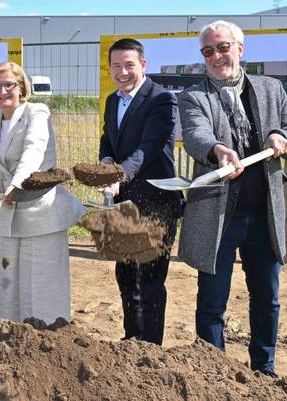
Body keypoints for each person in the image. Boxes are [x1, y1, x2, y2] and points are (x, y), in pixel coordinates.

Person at [177, 20, 287, 377]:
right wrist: (218, 150)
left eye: (223, 47)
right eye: (208, 51)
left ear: (240, 48)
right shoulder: (194, 96)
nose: (216, 56)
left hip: (264, 215)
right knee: (212, 300)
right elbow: (196, 135)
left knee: (267, 297)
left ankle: (264, 369)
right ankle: (214, 372)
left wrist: (280, 136)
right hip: (218, 216)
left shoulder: (270, 89)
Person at [0, 61, 85, 325]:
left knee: (40, 283)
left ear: (21, 87)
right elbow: (1, 165)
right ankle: (7, 333)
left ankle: (47, 337)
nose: (3, 91)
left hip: (42, 212)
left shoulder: (37, 112)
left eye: (9, 84)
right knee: (7, 280)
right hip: (10, 213)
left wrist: (14, 186)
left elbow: (33, 151)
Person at [98, 38, 183, 345]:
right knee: (125, 275)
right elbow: (108, 138)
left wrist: (119, 174)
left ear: (143, 65)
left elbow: (149, 147)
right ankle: (131, 341)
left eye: (129, 65)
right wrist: (106, 161)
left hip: (156, 201)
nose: (122, 72)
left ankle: (150, 349)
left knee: (150, 280)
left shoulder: (161, 99)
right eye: (116, 66)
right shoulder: (112, 100)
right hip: (124, 202)